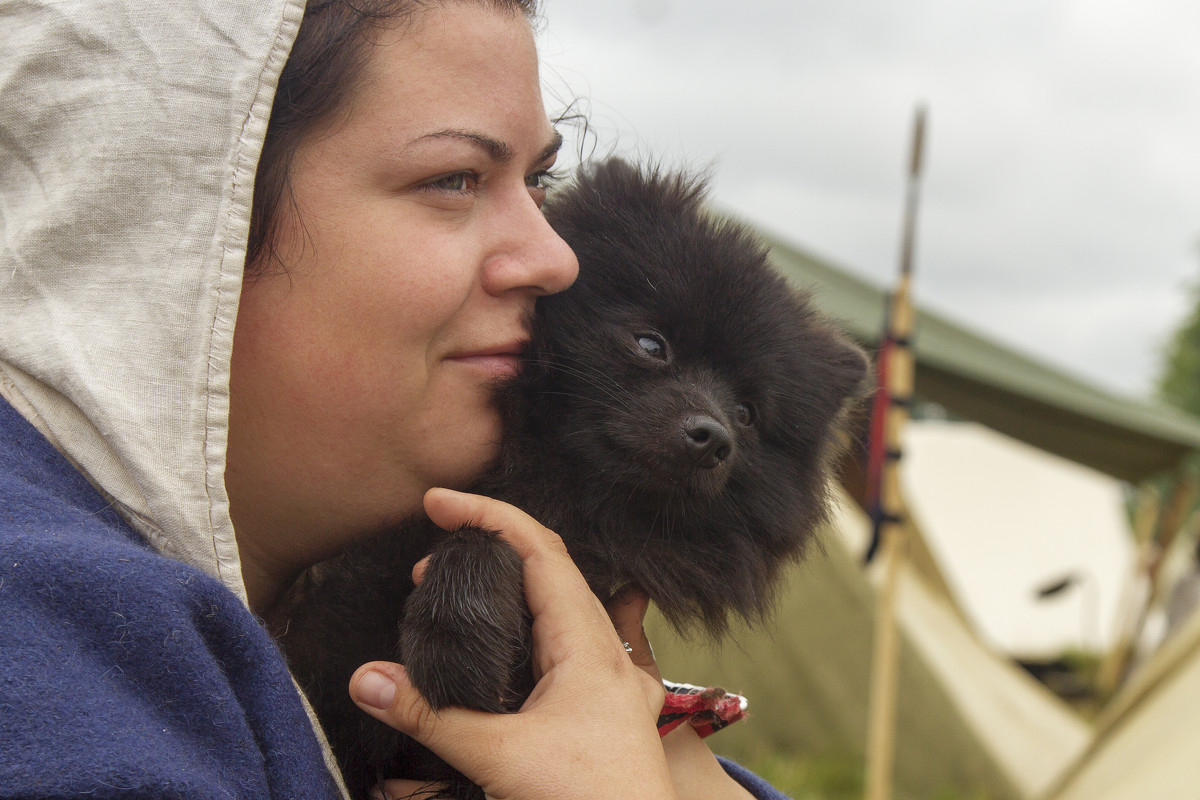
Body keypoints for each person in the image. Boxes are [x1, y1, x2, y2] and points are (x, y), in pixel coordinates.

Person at [0, 1, 787, 798]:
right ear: (185, 203)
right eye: (453, 179)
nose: (557, 256)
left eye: (538, 179)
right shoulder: (36, 639)